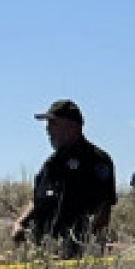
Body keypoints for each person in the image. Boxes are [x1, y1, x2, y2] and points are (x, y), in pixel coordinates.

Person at [12, 99, 117, 258]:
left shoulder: (95, 160)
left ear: (72, 126)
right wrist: (20, 222)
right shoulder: (51, 164)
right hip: (43, 253)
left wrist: (92, 247)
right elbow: (37, 199)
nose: (48, 130)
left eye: (53, 124)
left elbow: (103, 207)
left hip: (76, 254)